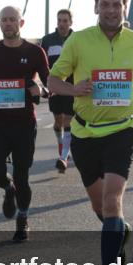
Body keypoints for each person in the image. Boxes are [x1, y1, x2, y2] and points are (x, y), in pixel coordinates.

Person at [48, 0, 133, 265]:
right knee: (101, 208)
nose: (110, 9)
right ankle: (120, 231)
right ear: (96, 7)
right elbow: (54, 80)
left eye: (116, 4)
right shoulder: (79, 41)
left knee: (111, 201)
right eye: (104, 4)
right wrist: (74, 89)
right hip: (84, 132)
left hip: (122, 129)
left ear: (125, 7)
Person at [0, 6, 49, 242]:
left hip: (24, 124)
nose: (8, 24)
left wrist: (42, 90)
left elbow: (50, 85)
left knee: (22, 175)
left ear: (21, 23)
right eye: (4, 20)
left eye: (12, 20)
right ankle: (8, 189)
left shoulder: (36, 52)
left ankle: (23, 219)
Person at [40, 9, 74, 172]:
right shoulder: (47, 40)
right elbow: (42, 65)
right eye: (60, 20)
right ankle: (62, 143)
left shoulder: (76, 39)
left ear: (70, 22)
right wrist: (46, 84)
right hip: (54, 86)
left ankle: (64, 156)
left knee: (68, 119)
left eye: (65, 20)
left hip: (72, 86)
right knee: (58, 120)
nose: (62, 23)